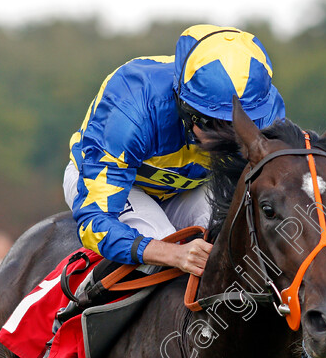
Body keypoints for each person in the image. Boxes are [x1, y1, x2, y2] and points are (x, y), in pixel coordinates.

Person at [63, 24, 286, 276]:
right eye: (211, 123)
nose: (225, 139)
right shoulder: (130, 109)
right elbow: (96, 223)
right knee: (170, 254)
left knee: (231, 250)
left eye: (237, 126)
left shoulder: (267, 112)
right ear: (185, 107)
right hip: (118, 186)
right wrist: (173, 253)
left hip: (189, 187)